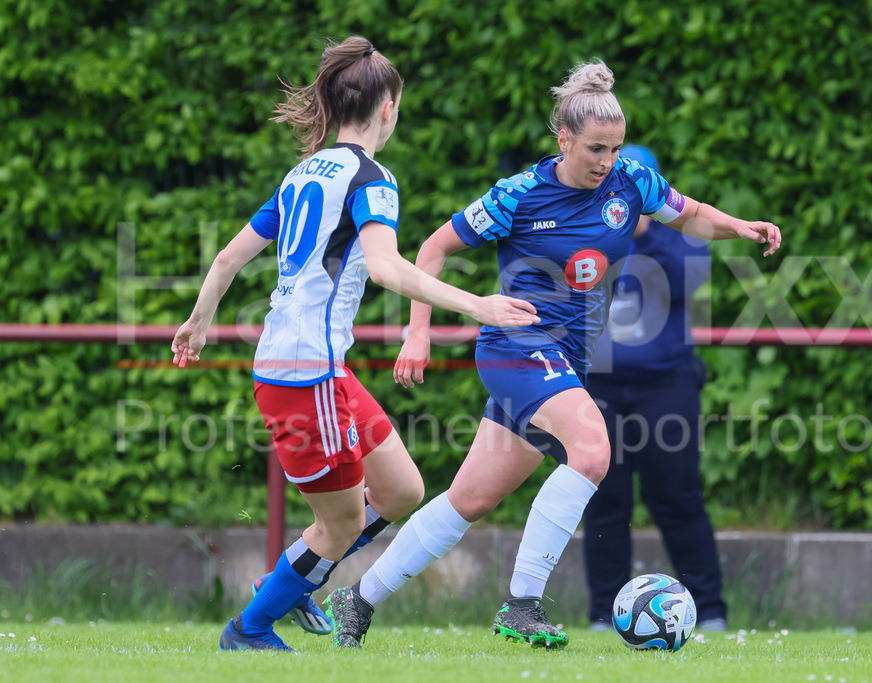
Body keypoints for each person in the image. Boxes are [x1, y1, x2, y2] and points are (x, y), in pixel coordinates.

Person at [325, 59, 780, 650]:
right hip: (517, 347)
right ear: (563, 139)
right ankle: (522, 605)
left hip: (565, 360)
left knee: (472, 498)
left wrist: (739, 226)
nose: (606, 162)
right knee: (592, 450)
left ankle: (357, 602)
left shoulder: (632, 181)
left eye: (614, 149)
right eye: (595, 149)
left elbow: (689, 214)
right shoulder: (518, 194)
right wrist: (419, 332)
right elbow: (433, 247)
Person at [170, 35, 539, 652]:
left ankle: (287, 580)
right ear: (387, 108)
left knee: (401, 491)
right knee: (338, 525)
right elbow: (389, 268)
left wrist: (199, 320)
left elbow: (230, 256)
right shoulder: (374, 179)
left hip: (318, 368)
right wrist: (479, 305)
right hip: (304, 376)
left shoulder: (302, 173)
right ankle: (250, 628)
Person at [583, 144, 728, 633]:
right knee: (604, 502)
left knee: (678, 499)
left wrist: (645, 232)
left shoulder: (681, 236)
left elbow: (689, 283)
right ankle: (604, 613)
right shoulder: (587, 232)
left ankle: (710, 611)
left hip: (667, 385)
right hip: (597, 389)